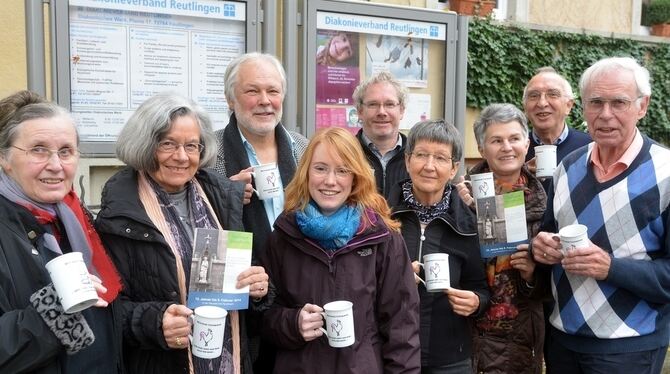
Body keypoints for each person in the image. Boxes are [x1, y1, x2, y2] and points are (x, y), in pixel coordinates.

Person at [95, 93, 269, 374]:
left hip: (230, 360)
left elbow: (246, 285)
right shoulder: (119, 213)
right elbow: (107, 311)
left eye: (191, 146)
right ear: (145, 145)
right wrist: (156, 322)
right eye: (168, 144)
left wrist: (259, 289)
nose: (181, 156)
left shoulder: (222, 198)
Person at [531, 57, 670, 374]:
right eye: (596, 102)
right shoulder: (566, 167)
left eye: (619, 102)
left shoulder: (666, 172)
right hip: (562, 341)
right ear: (582, 106)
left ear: (642, 106)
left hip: (629, 347)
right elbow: (548, 233)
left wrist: (611, 268)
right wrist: (541, 248)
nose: (605, 114)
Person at [260, 127, 420, 373]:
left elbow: (402, 326)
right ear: (306, 173)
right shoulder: (284, 235)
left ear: (356, 177)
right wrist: (293, 324)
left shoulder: (381, 237)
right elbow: (262, 316)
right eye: (321, 168)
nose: (330, 181)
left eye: (342, 170)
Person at [0, 90, 122, 373]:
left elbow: (104, 309)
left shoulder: (73, 216)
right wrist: (55, 308)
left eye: (65, 151)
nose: (55, 165)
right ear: (5, 158)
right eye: (38, 149)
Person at [389, 120, 490, 373]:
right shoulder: (381, 217)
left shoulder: (469, 225)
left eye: (441, 158)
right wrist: (392, 279)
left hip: (450, 359)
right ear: (408, 160)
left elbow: (481, 288)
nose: (429, 166)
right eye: (421, 155)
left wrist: (476, 303)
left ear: (454, 167)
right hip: (390, 353)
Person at [456, 103, 547, 373]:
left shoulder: (546, 200)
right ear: (482, 148)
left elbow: (556, 281)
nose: (507, 147)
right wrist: (467, 212)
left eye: (514, 138)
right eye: (496, 140)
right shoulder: (459, 197)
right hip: (465, 331)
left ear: (527, 143)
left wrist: (533, 275)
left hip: (520, 337)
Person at [214, 52, 308, 260]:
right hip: (244, 281)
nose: (265, 101)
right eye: (252, 91)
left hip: (302, 279)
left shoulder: (305, 148)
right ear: (230, 99)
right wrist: (223, 196)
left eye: (273, 91)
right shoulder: (207, 155)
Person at [352, 71, 410, 199]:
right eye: (373, 104)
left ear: (401, 110)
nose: (382, 112)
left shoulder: (418, 157)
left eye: (389, 104)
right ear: (360, 111)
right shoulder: (344, 153)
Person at [522, 67, 591, 170]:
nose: (542, 103)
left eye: (553, 94)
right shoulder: (515, 151)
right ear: (525, 106)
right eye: (534, 95)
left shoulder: (590, 147)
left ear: (568, 105)